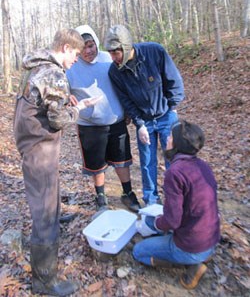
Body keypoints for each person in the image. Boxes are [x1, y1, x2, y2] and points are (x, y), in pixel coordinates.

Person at [13, 29, 100, 296]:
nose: (77, 59)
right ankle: (44, 280)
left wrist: (66, 101)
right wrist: (80, 107)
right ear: (65, 48)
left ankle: (56, 215)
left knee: (51, 192)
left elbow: (44, 105)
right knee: (44, 213)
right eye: (75, 53)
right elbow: (58, 120)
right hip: (39, 148)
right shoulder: (53, 74)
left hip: (34, 144)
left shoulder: (36, 67)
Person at [133, 120, 221, 289]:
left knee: (138, 251)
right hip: (211, 238)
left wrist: (157, 223)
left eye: (171, 138)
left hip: (191, 245)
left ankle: (189, 265)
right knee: (155, 222)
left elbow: (172, 221)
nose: (167, 140)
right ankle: (200, 255)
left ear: (177, 145)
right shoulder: (203, 165)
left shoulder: (175, 172)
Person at [104, 24, 185, 205]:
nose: (113, 57)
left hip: (166, 115)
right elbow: (125, 100)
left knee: (174, 159)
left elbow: (173, 80)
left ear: (126, 47)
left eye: (116, 52)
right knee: (147, 162)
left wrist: (172, 107)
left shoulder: (154, 52)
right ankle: (151, 201)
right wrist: (139, 123)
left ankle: (177, 200)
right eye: (110, 52)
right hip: (144, 120)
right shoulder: (114, 71)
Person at [66, 25, 141, 214]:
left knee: (122, 159)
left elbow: (124, 85)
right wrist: (66, 96)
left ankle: (128, 192)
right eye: (82, 47)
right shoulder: (71, 66)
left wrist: (127, 110)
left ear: (96, 43)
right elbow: (61, 89)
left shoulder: (109, 59)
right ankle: (101, 196)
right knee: (96, 163)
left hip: (115, 119)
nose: (88, 51)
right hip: (89, 124)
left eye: (90, 45)